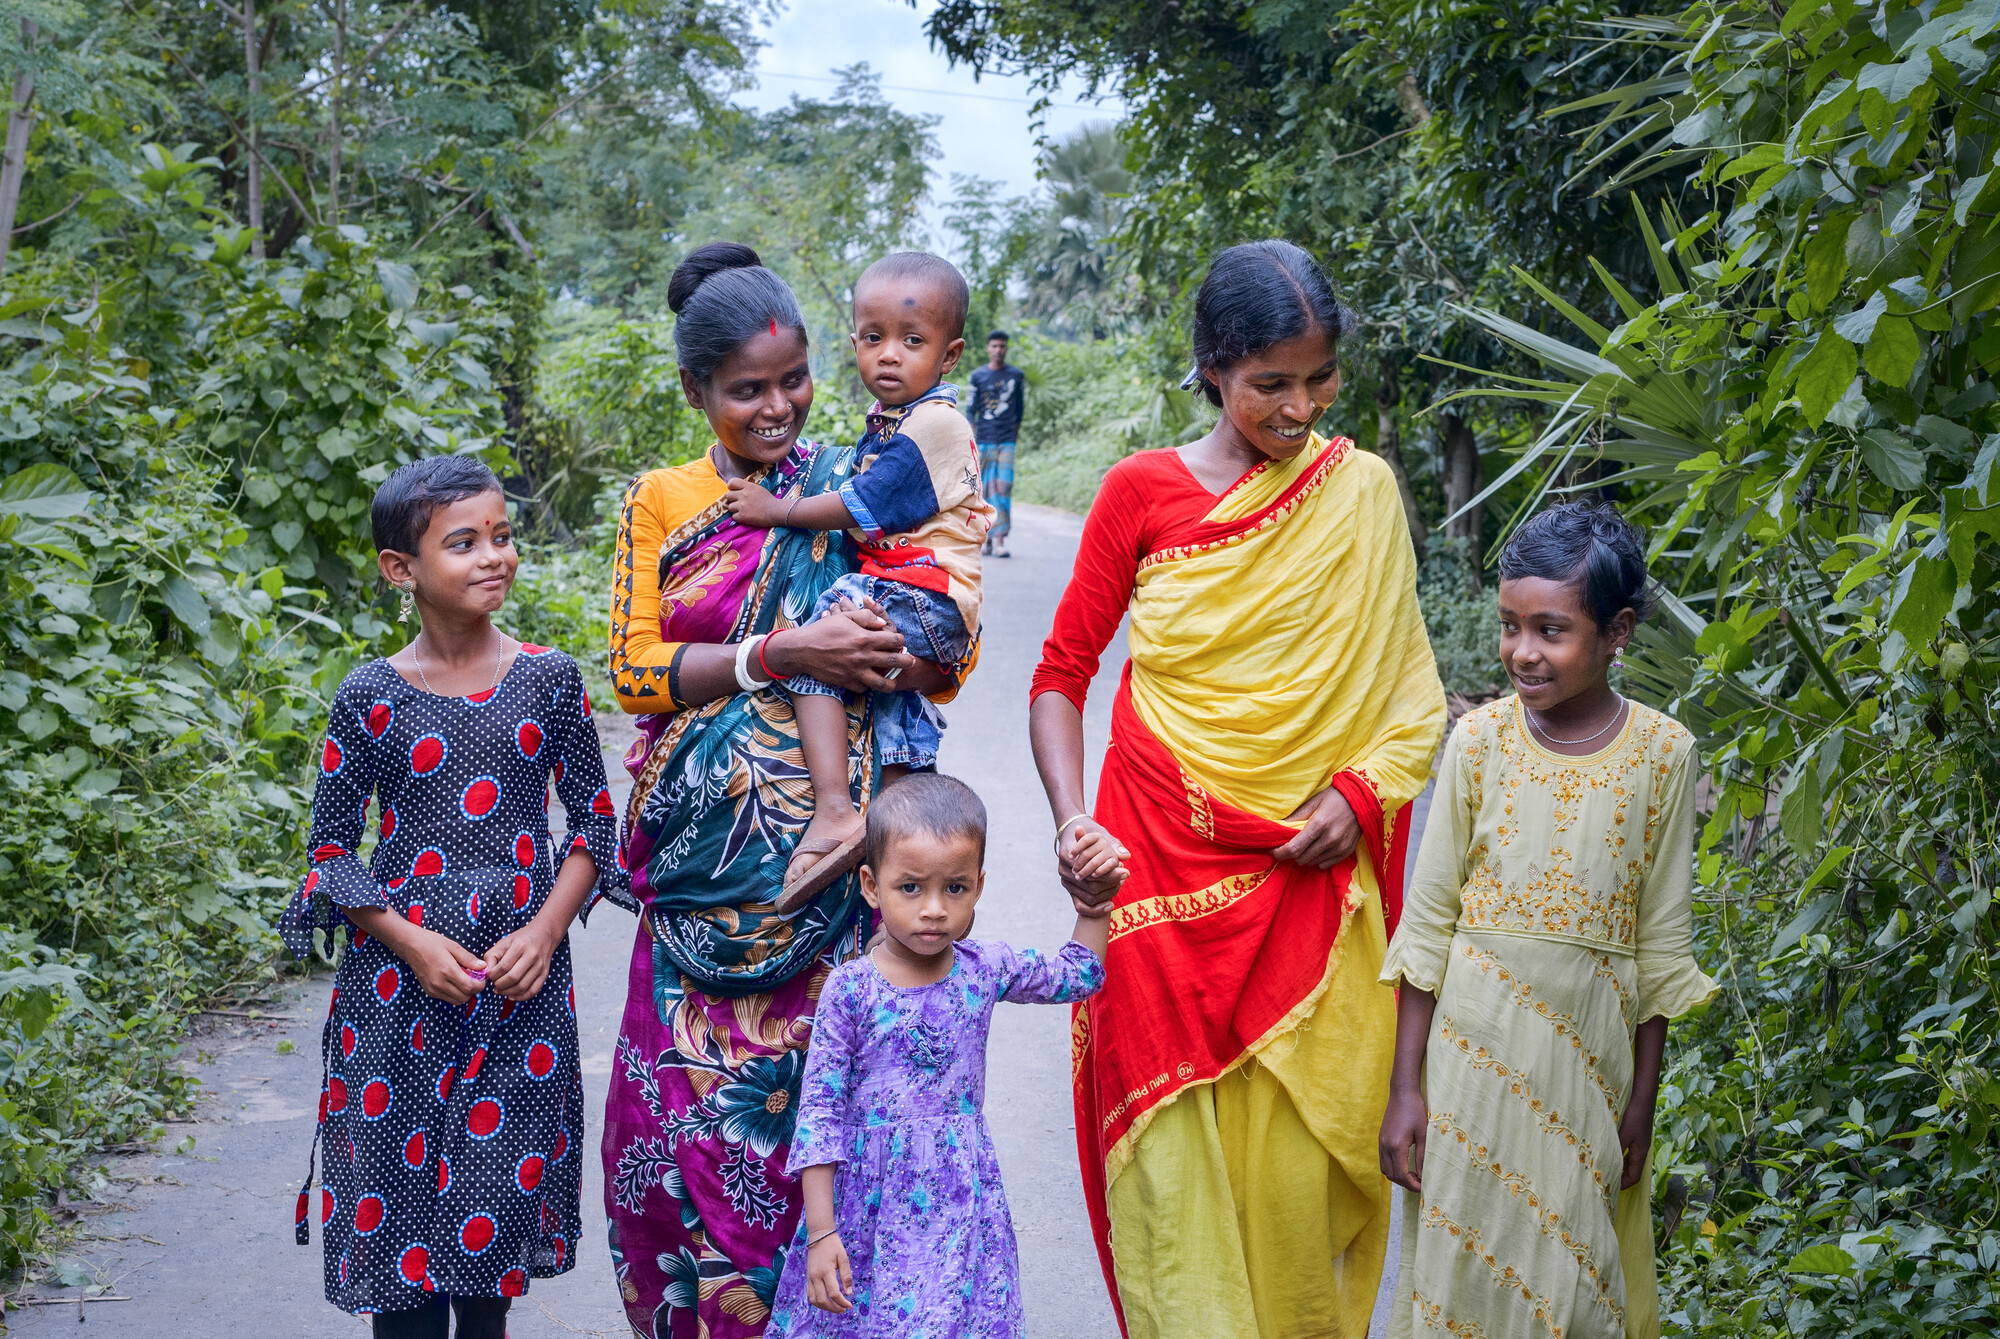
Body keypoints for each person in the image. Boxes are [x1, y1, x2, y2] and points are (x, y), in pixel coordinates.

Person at [1028, 239, 1448, 1338]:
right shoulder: (1140, 492)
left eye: (1318, 380)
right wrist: (1073, 820)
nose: (1298, 407)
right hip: (1152, 867)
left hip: (1309, 880)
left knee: (1302, 1178)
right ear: (1212, 368)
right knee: (1172, 1170)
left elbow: (1411, 697)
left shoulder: (1358, 493)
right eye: (1270, 383)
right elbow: (1059, 677)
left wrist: (1359, 796)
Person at [601, 242, 972, 1339]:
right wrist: (780, 652)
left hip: (831, 892)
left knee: (828, 1152)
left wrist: (880, 658)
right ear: (695, 392)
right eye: (746, 390)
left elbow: (940, 643)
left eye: (793, 379)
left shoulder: (848, 476)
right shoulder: (662, 500)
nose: (777, 406)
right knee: (679, 1155)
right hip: (696, 883)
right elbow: (632, 668)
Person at [280, 455, 624, 1336]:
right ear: (402, 569)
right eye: (463, 542)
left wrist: (545, 935)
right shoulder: (369, 695)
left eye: (502, 537)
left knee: (487, 1244)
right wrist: (411, 941)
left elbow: (592, 828)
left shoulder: (549, 678)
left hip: (517, 995)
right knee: (397, 1246)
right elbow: (330, 852)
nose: (493, 557)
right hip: (396, 998)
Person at [1376, 502, 1717, 1339]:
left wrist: (1641, 1100)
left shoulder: (1665, 755)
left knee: (1574, 1279)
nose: (1523, 651)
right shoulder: (1479, 742)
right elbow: (1427, 927)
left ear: (1617, 631)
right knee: (1464, 1269)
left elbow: (1662, 945)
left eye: (1551, 630)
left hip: (1587, 1073)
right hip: (1469, 1066)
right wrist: (1405, 1089)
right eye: (1510, 626)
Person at [763, 774, 1112, 1337]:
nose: (933, 909)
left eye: (955, 888)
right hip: (865, 1212)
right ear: (872, 887)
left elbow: (1077, 974)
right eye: (911, 887)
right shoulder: (851, 991)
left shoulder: (985, 969)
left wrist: (1095, 903)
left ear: (979, 886)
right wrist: (823, 1234)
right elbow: (819, 1117)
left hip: (960, 1207)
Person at [723, 252, 992, 906]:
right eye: (874, 339)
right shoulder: (889, 426)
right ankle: (896, 828)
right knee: (894, 699)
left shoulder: (932, 424)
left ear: (950, 355)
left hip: (926, 597)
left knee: (829, 629)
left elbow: (863, 507)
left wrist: (778, 510)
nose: (890, 356)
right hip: (930, 600)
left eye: (913, 341)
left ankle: (837, 808)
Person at [967, 331, 1025, 558]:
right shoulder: (978, 376)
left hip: (1007, 439)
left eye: (1002, 346)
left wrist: (1014, 434)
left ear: (1006, 348)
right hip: (984, 439)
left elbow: (1020, 409)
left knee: (1003, 487)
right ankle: (986, 538)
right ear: (988, 348)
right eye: (994, 346)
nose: (998, 350)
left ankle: (1000, 539)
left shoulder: (1016, 375)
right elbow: (972, 409)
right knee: (984, 489)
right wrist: (970, 437)